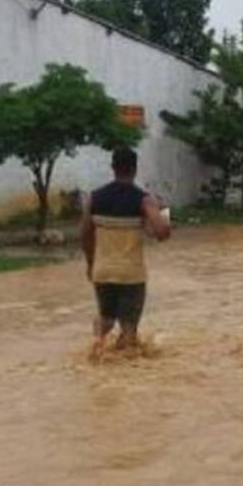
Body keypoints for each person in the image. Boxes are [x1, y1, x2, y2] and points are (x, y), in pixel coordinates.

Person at [81, 147, 172, 357]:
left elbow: (84, 234)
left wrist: (90, 263)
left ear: (113, 168)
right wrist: (164, 211)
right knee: (129, 332)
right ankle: (127, 362)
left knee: (106, 318)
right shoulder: (143, 200)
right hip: (131, 275)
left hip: (102, 272)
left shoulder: (94, 199)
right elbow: (161, 232)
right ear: (135, 169)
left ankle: (96, 346)